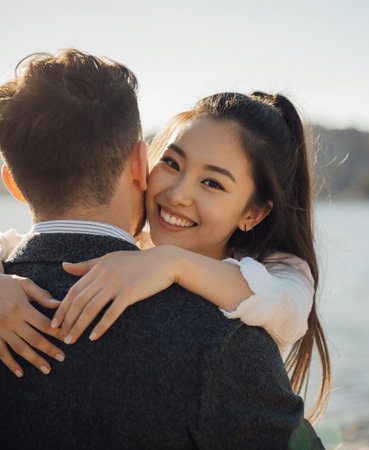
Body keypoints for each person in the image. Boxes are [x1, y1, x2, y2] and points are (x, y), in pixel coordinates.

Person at [0, 49, 324, 449]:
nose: (179, 194)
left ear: (254, 214)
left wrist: (173, 263)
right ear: (143, 163)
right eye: (171, 162)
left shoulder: (273, 278)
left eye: (213, 183)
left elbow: (288, 303)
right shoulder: (220, 341)